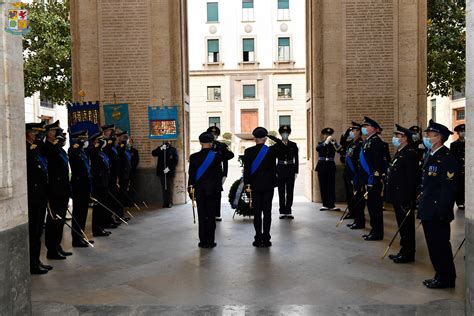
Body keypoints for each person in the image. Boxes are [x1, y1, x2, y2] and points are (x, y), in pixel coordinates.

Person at [418, 119, 458, 289]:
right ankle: (439, 274)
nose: (426, 137)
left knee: (441, 245)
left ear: (439, 137)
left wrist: (443, 212)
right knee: (433, 245)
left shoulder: (446, 158)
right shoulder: (430, 155)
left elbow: (448, 189)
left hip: (438, 211)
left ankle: (447, 278)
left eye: (430, 135)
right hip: (428, 209)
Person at [188, 132, 234, 248]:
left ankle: (203, 241)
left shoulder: (193, 157)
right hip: (213, 190)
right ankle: (210, 241)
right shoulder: (217, 156)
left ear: (200, 142)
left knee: (202, 215)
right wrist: (220, 145)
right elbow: (230, 155)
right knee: (211, 215)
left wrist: (190, 190)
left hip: (199, 190)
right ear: (211, 142)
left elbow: (191, 175)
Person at [385, 124, 419, 263]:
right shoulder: (401, 152)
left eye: (398, 136)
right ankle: (403, 250)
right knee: (402, 225)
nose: (395, 138)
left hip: (404, 196)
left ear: (405, 138)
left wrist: (410, 198)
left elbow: (412, 178)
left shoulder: (410, 154)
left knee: (407, 226)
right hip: (398, 195)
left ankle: (408, 253)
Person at [244, 127, 278, 247]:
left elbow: (246, 171)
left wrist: (247, 185)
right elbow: (285, 151)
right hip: (268, 186)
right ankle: (267, 238)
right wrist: (276, 139)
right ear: (265, 138)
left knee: (257, 213)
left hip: (255, 186)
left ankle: (258, 238)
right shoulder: (271, 151)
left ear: (254, 138)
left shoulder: (248, 152)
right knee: (267, 212)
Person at [43, 120, 72, 260]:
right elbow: (51, 156)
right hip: (54, 189)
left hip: (63, 188)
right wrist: (57, 142)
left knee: (60, 220)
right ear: (48, 133)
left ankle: (57, 245)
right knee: (53, 220)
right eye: (55, 131)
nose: (57, 134)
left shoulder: (59, 148)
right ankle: (51, 249)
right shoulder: (46, 146)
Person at [26, 122, 50, 274]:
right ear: (28, 133)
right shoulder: (26, 150)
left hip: (40, 195)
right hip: (33, 196)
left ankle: (37, 260)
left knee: (38, 231)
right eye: (35, 133)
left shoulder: (35, 149)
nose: (37, 136)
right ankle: (32, 264)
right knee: (34, 231)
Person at [359, 117, 385, 241]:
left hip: (372, 180)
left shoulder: (376, 142)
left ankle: (377, 232)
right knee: (370, 207)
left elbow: (378, 162)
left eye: (367, 126)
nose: (364, 128)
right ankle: (374, 230)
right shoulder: (367, 141)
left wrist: (374, 178)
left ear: (374, 128)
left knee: (375, 208)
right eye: (363, 126)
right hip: (367, 179)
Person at [68, 130, 93, 247]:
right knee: (78, 213)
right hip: (79, 187)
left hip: (84, 186)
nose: (87, 140)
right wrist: (77, 144)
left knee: (83, 214)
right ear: (79, 139)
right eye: (85, 138)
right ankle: (76, 239)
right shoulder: (74, 150)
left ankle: (81, 236)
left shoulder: (81, 151)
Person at [89, 132, 113, 237]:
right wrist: (98, 145)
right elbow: (93, 153)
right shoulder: (94, 152)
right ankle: (97, 229)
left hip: (104, 182)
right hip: (98, 184)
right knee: (98, 208)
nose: (103, 142)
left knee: (103, 207)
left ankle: (101, 227)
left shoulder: (101, 152)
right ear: (95, 141)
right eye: (100, 140)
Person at [273, 125, 299, 219]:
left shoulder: (293, 145)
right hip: (280, 169)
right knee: (281, 191)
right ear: (280, 134)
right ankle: (282, 211)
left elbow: (296, 159)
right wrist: (274, 171)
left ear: (289, 134)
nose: (285, 134)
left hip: (290, 169)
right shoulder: (276, 145)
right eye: (283, 133)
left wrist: (296, 171)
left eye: (287, 133)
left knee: (290, 191)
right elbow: (273, 159)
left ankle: (288, 211)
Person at [344, 122, 365, 229]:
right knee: (351, 196)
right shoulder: (352, 143)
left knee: (357, 198)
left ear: (359, 132)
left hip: (355, 175)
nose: (351, 132)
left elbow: (359, 162)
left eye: (353, 130)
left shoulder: (360, 144)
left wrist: (356, 175)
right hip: (349, 174)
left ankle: (360, 221)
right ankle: (355, 217)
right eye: (351, 131)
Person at [102, 124, 124, 224]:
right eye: (111, 131)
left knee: (113, 198)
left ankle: (112, 218)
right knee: (109, 199)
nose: (113, 134)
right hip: (109, 175)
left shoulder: (111, 145)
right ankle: (108, 219)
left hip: (114, 175)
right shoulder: (104, 144)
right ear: (106, 131)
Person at [207, 126, 229, 221]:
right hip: (207, 172)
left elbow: (225, 160)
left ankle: (217, 213)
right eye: (212, 134)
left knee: (217, 194)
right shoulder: (206, 144)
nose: (214, 136)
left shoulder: (222, 145)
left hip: (217, 172)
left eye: (215, 134)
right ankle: (208, 213)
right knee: (207, 193)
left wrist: (225, 174)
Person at [315, 127, 340, 211]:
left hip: (330, 166)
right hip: (322, 166)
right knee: (323, 185)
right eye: (326, 134)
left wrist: (335, 143)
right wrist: (326, 142)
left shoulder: (333, 144)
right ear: (323, 135)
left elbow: (340, 150)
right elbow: (318, 148)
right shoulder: (321, 143)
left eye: (329, 134)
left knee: (331, 185)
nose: (327, 136)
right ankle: (325, 204)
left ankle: (332, 204)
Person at [152, 140, 179, 208]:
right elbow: (154, 153)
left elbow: (175, 161)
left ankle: (170, 202)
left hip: (169, 172)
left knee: (169, 188)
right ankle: (165, 202)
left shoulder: (173, 150)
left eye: (168, 141)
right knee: (164, 188)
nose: (167, 142)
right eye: (165, 141)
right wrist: (161, 148)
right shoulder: (161, 148)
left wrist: (168, 169)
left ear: (170, 142)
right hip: (161, 172)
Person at [116, 130, 133, 212]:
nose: (126, 139)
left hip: (126, 174)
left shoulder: (125, 149)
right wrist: (123, 143)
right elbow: (120, 155)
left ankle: (122, 212)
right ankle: (119, 213)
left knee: (123, 194)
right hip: (122, 175)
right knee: (120, 195)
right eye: (123, 137)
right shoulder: (119, 148)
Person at [450, 123, 465, 210]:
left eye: (464, 131)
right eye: (461, 131)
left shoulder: (469, 143)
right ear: (458, 133)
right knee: (460, 186)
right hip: (459, 168)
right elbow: (454, 158)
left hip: (468, 169)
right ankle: (460, 202)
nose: (463, 133)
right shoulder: (454, 144)